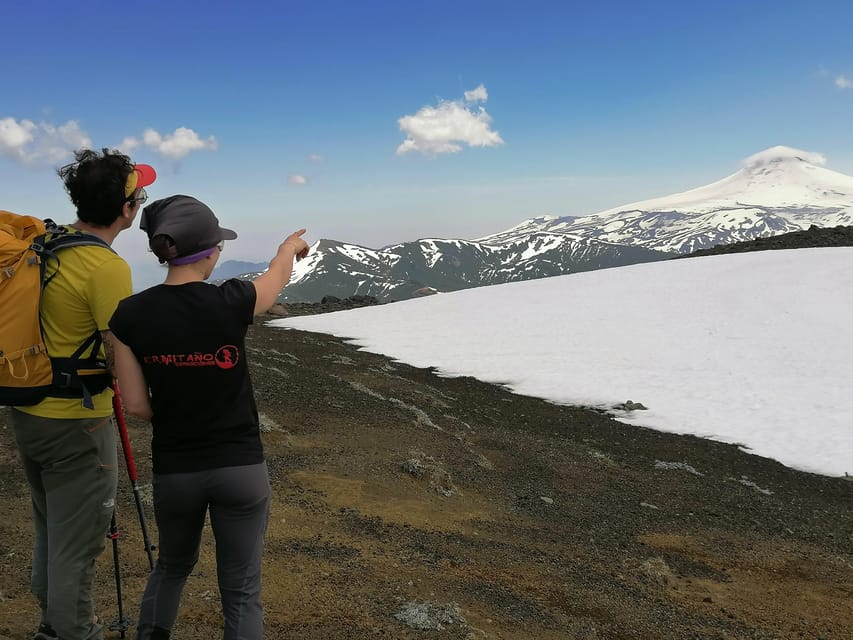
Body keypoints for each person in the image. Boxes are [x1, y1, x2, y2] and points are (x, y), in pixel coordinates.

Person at [107, 195, 309, 640]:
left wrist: (181, 414)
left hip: (177, 469)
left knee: (172, 566)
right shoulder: (232, 300)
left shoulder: (128, 316)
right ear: (212, 251)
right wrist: (286, 250)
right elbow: (275, 280)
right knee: (240, 589)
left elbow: (136, 404)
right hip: (241, 467)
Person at [11, 148, 157, 640]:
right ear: (126, 210)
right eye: (138, 195)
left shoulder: (48, 244)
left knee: (52, 527)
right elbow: (121, 353)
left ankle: (52, 621)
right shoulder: (105, 267)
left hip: (30, 413)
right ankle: (71, 632)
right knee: (79, 542)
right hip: (80, 421)